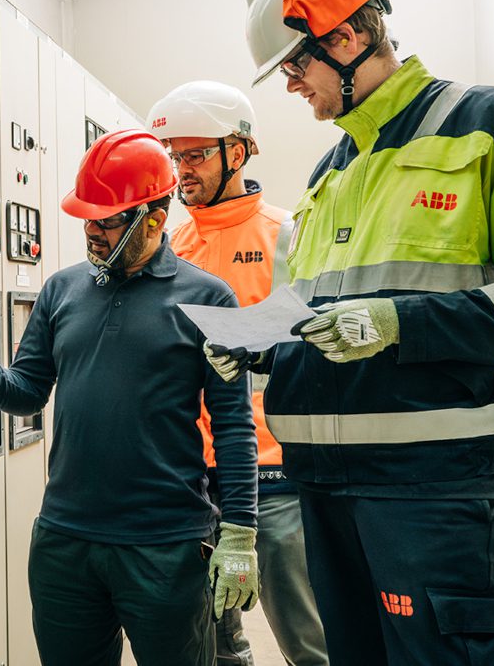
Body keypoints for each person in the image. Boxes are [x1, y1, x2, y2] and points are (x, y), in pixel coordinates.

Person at [203, 0, 494, 665]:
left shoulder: (491, 124)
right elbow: (319, 318)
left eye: (295, 64)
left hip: (430, 490)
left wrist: (397, 323)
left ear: (346, 39)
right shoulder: (332, 172)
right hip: (322, 488)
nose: (290, 84)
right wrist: (259, 344)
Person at [0, 129, 259, 666]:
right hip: (65, 540)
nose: (92, 231)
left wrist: (240, 534)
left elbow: (234, 427)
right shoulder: (61, 289)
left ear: (154, 217)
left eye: (108, 219)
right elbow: (29, 393)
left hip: (165, 546)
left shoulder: (209, 297)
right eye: (87, 218)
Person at [150, 80, 329, 666]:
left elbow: (318, 349)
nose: (183, 171)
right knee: (215, 643)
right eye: (176, 157)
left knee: (311, 640)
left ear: (240, 150)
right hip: (190, 477)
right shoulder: (171, 247)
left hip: (273, 473)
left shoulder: (288, 235)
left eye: (196, 154)